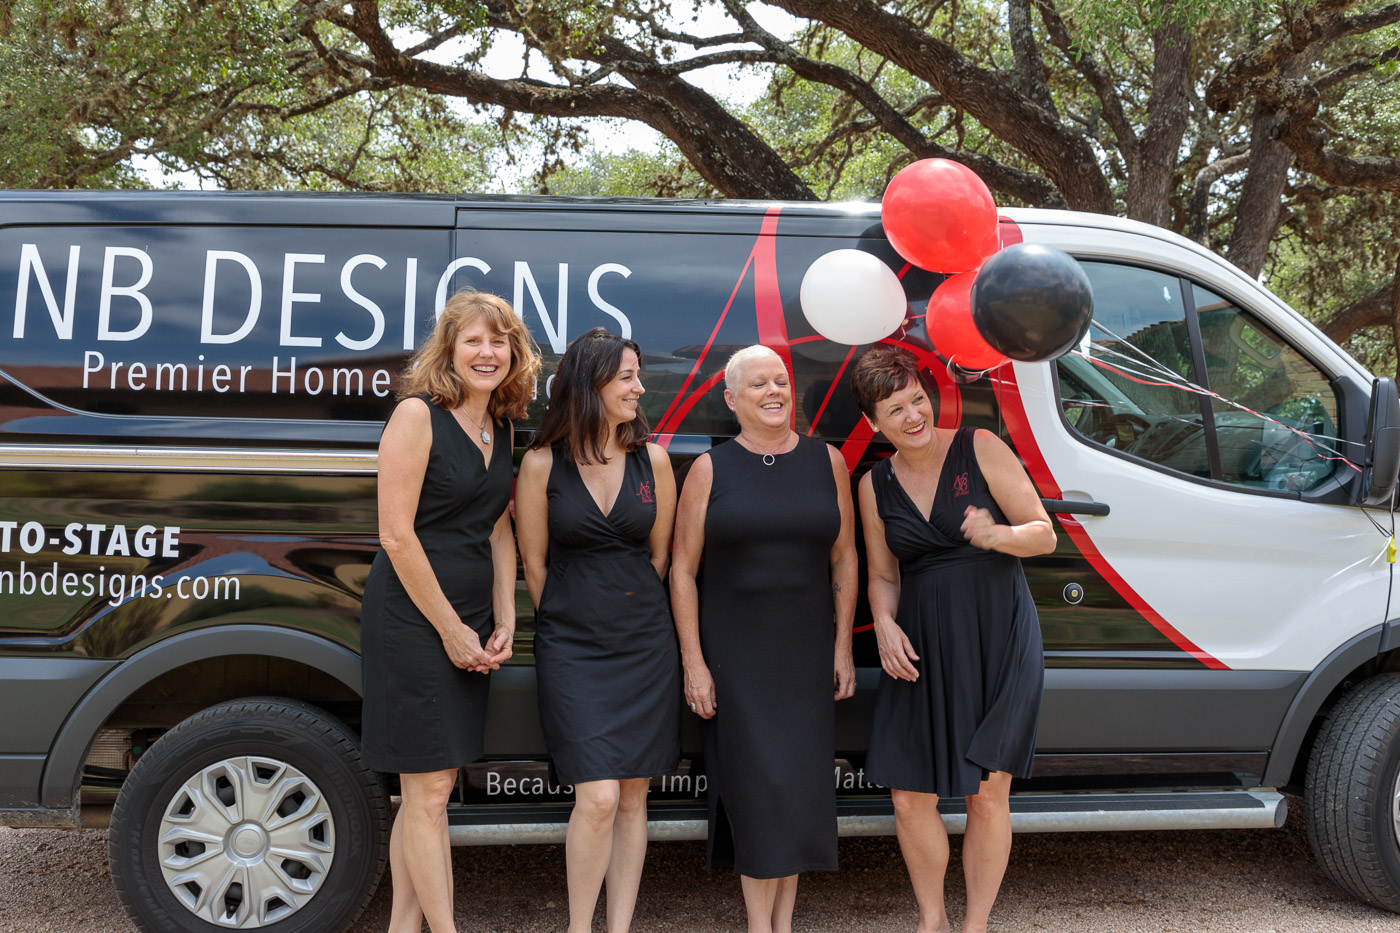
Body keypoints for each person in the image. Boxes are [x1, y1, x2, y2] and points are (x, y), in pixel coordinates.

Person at [850, 345, 1055, 933]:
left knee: (986, 794)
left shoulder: (979, 446)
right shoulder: (874, 485)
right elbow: (884, 575)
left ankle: (975, 925)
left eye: (917, 399)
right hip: (920, 648)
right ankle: (932, 920)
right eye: (895, 410)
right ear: (873, 423)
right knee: (908, 796)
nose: (913, 416)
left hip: (997, 637)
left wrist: (997, 536)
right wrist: (883, 623)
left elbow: (1043, 535)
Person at [360, 289, 540, 933]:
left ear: (515, 353)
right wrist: (452, 629)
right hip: (414, 619)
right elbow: (396, 535)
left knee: (424, 792)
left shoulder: (501, 425)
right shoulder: (417, 415)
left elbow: (496, 527)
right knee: (430, 791)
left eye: (499, 341)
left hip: (467, 619)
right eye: (474, 341)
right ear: (450, 349)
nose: (487, 353)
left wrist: (505, 617)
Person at [669, 344, 858, 933]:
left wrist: (842, 647)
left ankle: (784, 924)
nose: (774, 391)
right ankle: (759, 926)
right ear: (732, 400)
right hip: (736, 660)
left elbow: (845, 557)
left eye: (780, 380)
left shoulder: (827, 461)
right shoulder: (710, 469)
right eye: (758, 384)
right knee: (755, 792)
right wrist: (695, 663)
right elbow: (681, 569)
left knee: (795, 792)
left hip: (805, 654)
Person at [514, 328, 680, 933]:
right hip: (573, 648)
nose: (639, 388)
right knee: (600, 796)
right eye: (627, 377)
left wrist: (623, 606)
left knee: (634, 795)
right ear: (591, 384)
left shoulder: (653, 461)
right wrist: (573, 615)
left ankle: (620, 927)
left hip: (644, 644)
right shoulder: (540, 464)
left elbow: (659, 557)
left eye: (637, 376)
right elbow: (535, 565)